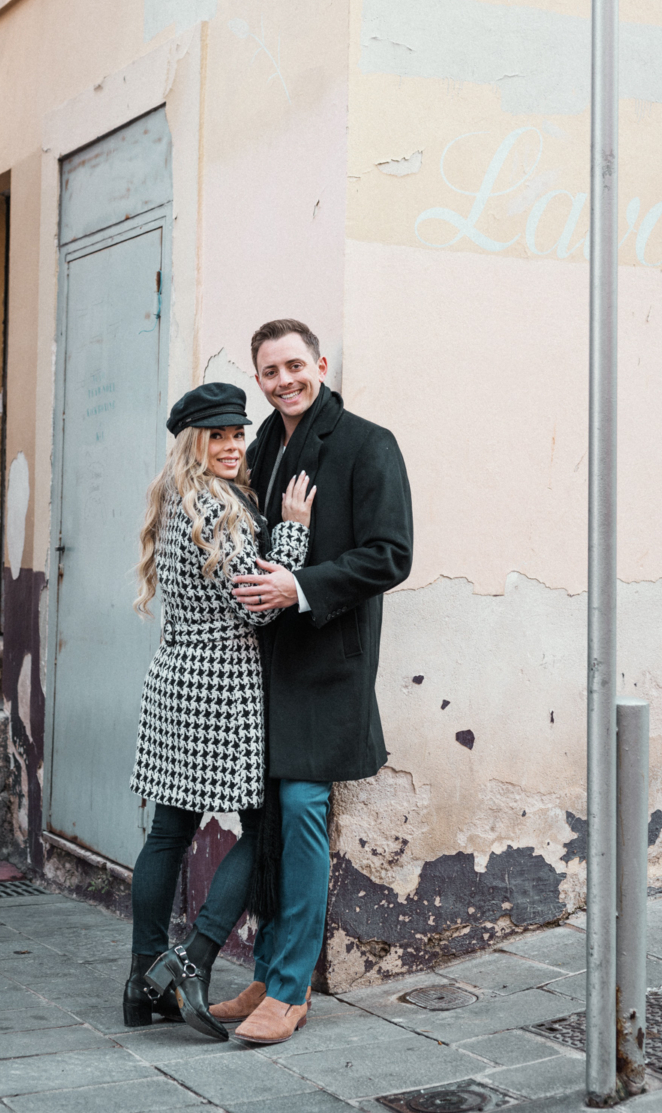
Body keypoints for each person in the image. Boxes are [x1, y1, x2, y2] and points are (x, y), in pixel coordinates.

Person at [213, 319, 413, 1046]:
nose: (284, 381)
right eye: (270, 372)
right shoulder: (261, 442)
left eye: (294, 366)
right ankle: (267, 972)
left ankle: (291, 988)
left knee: (298, 812)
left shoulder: (367, 443)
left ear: (319, 364)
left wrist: (298, 586)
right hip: (262, 665)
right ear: (259, 378)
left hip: (327, 665)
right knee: (262, 822)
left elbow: (390, 555)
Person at [124, 381, 316, 1041]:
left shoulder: (178, 497)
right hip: (221, 686)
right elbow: (258, 600)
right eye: (218, 436)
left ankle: (141, 978)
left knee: (168, 834)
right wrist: (292, 533)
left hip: (176, 679)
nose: (233, 445)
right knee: (263, 831)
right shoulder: (215, 508)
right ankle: (192, 958)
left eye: (238, 433)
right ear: (193, 443)